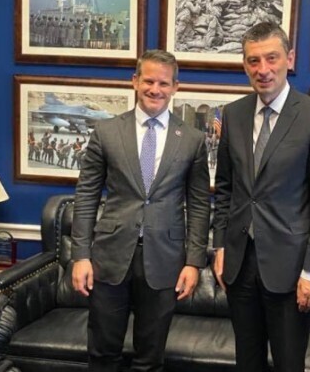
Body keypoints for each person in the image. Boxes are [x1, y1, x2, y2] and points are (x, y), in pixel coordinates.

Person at [71, 49, 211, 372]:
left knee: (150, 359)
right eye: (148, 81)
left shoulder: (192, 140)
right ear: (134, 81)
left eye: (163, 83)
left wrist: (193, 262)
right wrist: (80, 256)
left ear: (175, 87)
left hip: (165, 260)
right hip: (109, 257)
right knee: (102, 354)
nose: (155, 89)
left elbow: (200, 205)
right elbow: (86, 194)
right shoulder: (106, 132)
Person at [212, 22, 310, 372]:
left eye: (272, 58)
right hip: (239, 264)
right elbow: (225, 188)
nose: (263, 69)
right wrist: (220, 246)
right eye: (253, 60)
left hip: (291, 267)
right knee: (247, 362)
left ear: (290, 59)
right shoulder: (233, 113)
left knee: (288, 363)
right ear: (244, 64)